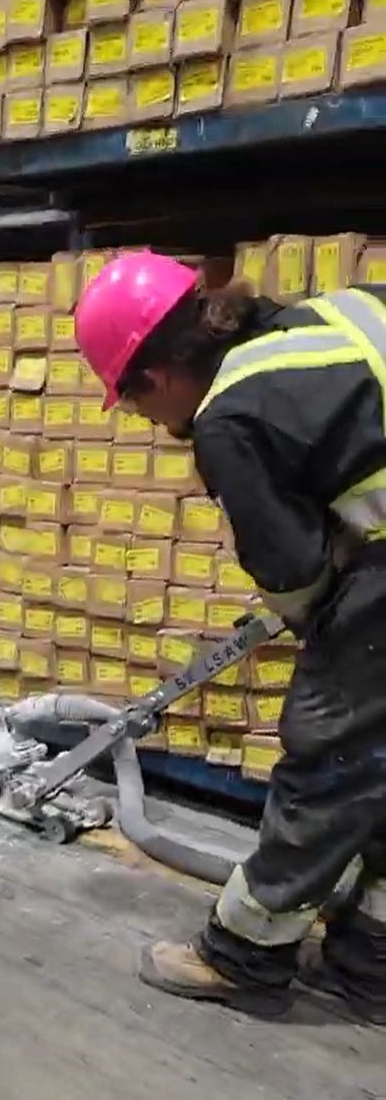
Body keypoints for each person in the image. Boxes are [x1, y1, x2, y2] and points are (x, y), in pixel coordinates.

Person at [73, 251, 386, 1022]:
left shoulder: (228, 415)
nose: (152, 422)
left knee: (331, 756)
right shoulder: (343, 311)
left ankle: (244, 954)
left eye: (138, 404)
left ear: (158, 374)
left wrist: (327, 628)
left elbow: (290, 570)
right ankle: (371, 958)